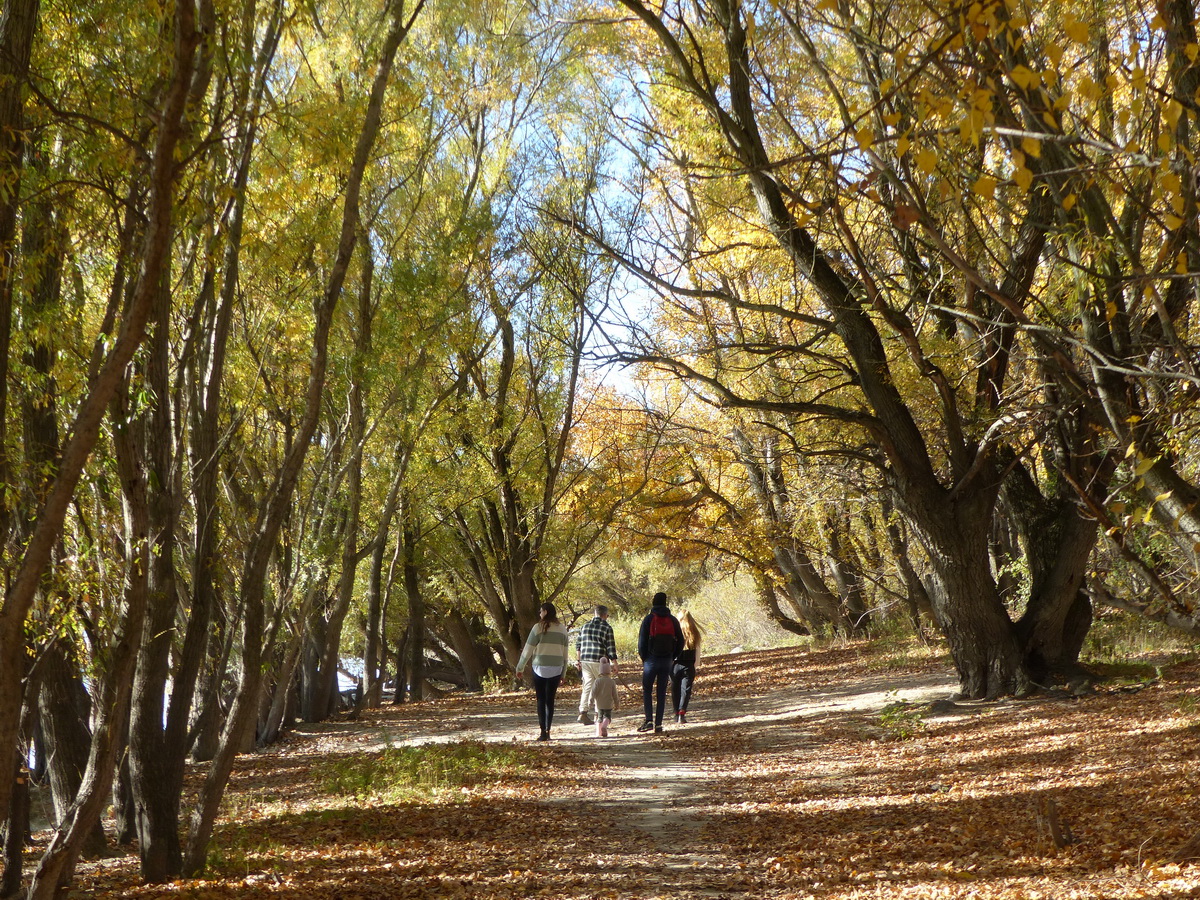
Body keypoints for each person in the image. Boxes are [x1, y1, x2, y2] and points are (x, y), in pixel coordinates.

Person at [515, 603, 569, 741]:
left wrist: (520, 667)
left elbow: (528, 650)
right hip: (556, 668)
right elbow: (565, 654)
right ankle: (548, 730)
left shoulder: (537, 628)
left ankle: (542, 733)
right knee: (550, 700)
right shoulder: (562, 629)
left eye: (540, 612)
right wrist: (564, 673)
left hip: (539, 668)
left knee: (541, 699)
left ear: (545, 612)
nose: (540, 614)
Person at [637, 591, 683, 733]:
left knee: (647, 690)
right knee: (661, 692)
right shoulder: (673, 620)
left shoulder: (648, 619)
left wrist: (644, 658)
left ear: (653, 602)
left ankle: (649, 720)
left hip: (651, 660)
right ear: (665, 603)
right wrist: (673, 656)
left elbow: (642, 642)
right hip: (667, 660)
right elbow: (681, 641)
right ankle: (658, 724)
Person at [575, 604, 618, 725]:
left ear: (595, 614)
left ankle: (583, 712)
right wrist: (615, 664)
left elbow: (578, 645)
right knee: (600, 688)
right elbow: (610, 648)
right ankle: (598, 714)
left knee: (588, 686)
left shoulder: (584, 626)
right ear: (605, 615)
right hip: (600, 662)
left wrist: (578, 661)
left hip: (585, 661)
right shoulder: (607, 627)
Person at [671, 611, 703, 724]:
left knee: (675, 690)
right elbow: (697, 651)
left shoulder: (674, 631)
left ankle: (676, 713)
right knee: (686, 690)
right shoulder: (694, 633)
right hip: (689, 664)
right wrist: (695, 665)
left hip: (675, 664)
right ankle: (682, 713)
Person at [591, 657, 619, 737]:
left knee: (599, 717)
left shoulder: (597, 681)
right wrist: (617, 703)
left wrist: (591, 701)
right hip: (608, 703)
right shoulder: (611, 682)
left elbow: (593, 692)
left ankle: (598, 733)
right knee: (607, 716)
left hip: (599, 703)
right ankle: (604, 726)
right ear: (609, 672)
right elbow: (615, 694)